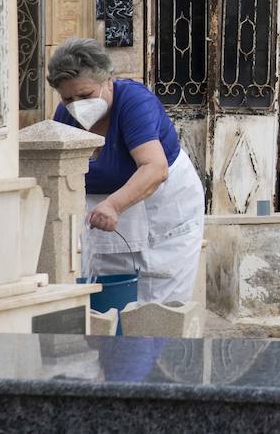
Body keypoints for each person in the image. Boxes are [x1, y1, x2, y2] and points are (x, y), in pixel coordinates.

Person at [47, 38, 205, 303]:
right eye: (67, 98)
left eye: (85, 95)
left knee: (158, 304)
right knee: (107, 300)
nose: (76, 104)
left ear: (108, 81)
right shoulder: (65, 117)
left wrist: (114, 205)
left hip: (161, 209)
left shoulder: (133, 102)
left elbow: (154, 168)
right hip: (104, 217)